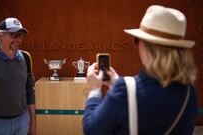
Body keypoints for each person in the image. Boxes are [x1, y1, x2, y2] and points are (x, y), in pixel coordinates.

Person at [83, 5, 198, 135]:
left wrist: (95, 90)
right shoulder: (190, 92)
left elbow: (91, 129)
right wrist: (119, 85)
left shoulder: (124, 91)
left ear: (145, 45)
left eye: (137, 40)